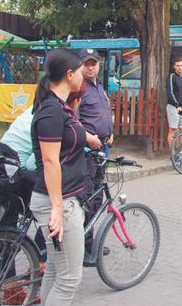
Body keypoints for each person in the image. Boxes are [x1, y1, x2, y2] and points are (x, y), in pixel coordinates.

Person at [30, 48, 86, 306]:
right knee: (69, 279)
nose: (84, 74)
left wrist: (91, 139)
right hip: (58, 203)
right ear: (69, 74)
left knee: (54, 270)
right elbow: (50, 160)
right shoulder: (52, 110)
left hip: (62, 199)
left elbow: (66, 142)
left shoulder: (60, 106)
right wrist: (57, 208)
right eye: (81, 70)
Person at [76, 48, 111, 261]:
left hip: (102, 149)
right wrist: (89, 136)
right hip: (87, 152)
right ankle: (84, 247)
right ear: (80, 65)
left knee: (97, 198)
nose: (91, 67)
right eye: (87, 63)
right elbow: (74, 120)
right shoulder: (78, 88)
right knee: (87, 199)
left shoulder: (99, 86)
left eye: (94, 63)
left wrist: (111, 133)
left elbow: (104, 111)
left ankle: (90, 243)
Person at [166, 56, 182, 148]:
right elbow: (170, 92)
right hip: (173, 107)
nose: (180, 67)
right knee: (173, 129)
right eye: (178, 65)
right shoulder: (171, 77)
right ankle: (173, 154)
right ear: (174, 66)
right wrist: (176, 105)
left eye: (181, 65)